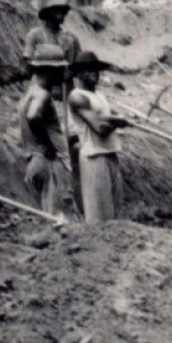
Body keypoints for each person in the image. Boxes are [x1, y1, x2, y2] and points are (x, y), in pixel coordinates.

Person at [65, 51, 131, 224]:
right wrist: (118, 123)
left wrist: (117, 118)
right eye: (89, 70)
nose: (95, 73)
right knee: (98, 216)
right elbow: (99, 127)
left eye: (96, 69)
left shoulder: (99, 95)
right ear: (79, 73)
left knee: (116, 210)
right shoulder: (77, 96)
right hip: (93, 155)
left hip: (110, 153)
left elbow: (106, 117)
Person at [17, 42, 71, 216]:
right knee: (58, 218)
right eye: (58, 69)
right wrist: (49, 147)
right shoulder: (43, 94)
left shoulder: (30, 93)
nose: (62, 74)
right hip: (49, 164)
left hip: (35, 161)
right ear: (49, 70)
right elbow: (33, 116)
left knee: (47, 215)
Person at [21, 0, 81, 70]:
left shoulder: (69, 38)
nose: (61, 15)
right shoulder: (35, 34)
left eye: (63, 11)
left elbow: (71, 65)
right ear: (48, 13)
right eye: (57, 11)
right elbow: (27, 59)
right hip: (39, 76)